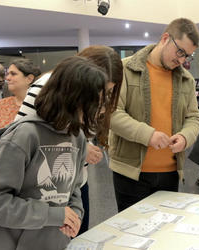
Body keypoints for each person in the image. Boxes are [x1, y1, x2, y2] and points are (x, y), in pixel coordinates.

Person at [0, 56, 108, 250]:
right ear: (74, 99)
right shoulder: (23, 136)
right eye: (96, 102)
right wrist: (54, 215)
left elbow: (74, 188)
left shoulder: (76, 136)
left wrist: (75, 213)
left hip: (52, 241)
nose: (101, 110)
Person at [15, 45, 123, 234]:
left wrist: (83, 146)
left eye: (107, 91)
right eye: (99, 90)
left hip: (75, 185)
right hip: (44, 192)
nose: (100, 99)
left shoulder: (94, 98)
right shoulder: (46, 86)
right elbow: (21, 137)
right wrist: (81, 149)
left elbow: (77, 131)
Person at [109, 18, 199, 212]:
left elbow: (194, 118)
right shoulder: (124, 69)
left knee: (166, 235)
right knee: (132, 235)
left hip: (171, 173)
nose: (182, 60)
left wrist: (185, 137)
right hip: (131, 173)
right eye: (180, 52)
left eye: (187, 56)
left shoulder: (187, 79)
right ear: (165, 38)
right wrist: (148, 135)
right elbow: (112, 113)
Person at [0, 59, 40, 156]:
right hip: (2, 161)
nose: (7, 78)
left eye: (13, 74)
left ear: (29, 79)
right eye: (8, 74)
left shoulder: (40, 106)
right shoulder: (1, 105)